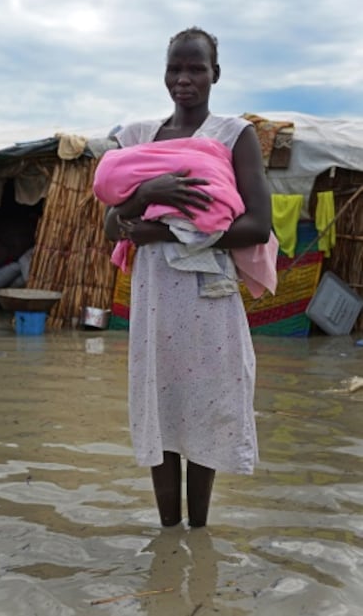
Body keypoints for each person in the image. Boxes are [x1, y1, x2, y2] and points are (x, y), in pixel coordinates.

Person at [104, 27, 272, 528]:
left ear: (214, 74)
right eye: (175, 67)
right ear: (164, 72)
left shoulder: (233, 135)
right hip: (154, 296)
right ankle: (169, 535)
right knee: (161, 403)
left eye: (196, 68)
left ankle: (198, 532)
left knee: (203, 408)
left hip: (207, 294)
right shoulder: (140, 139)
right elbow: (113, 223)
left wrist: (168, 234)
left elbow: (257, 225)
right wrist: (146, 191)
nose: (184, 79)